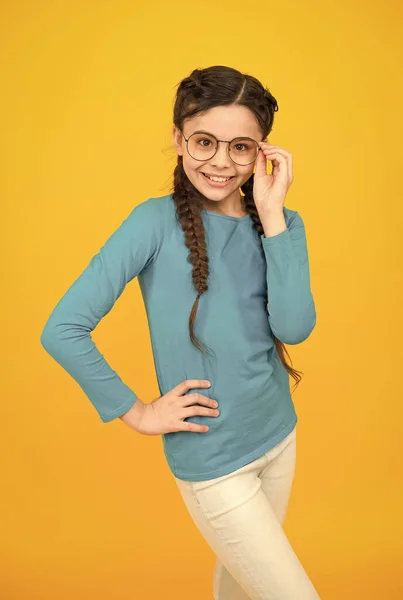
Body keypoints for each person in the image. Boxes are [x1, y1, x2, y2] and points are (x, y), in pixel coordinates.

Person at [40, 65, 320, 599]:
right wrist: (139, 411)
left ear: (263, 152)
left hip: (279, 436)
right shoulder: (152, 222)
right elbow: (63, 328)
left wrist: (273, 213)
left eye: (241, 146)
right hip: (213, 460)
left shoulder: (280, 222)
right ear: (178, 139)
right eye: (205, 141)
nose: (220, 161)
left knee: (240, 589)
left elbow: (294, 327)